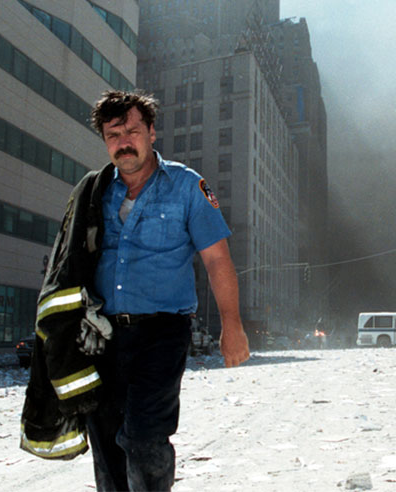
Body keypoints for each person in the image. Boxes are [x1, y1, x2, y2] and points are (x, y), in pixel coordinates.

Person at [21, 90, 249, 491]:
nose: (124, 142)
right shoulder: (94, 192)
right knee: (107, 443)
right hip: (102, 336)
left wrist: (232, 324)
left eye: (132, 130)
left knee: (144, 436)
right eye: (114, 135)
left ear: (152, 132)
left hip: (162, 333)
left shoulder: (187, 186)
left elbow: (217, 259)